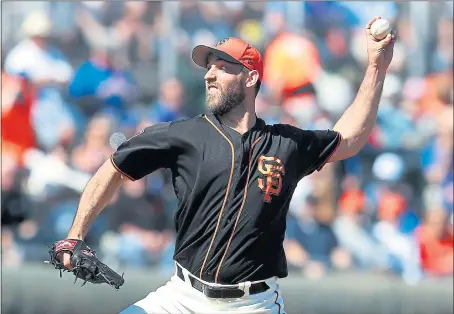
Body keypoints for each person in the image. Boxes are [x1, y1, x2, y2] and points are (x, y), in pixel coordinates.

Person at [57, 17, 396, 314]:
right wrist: (75, 237)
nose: (210, 74)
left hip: (252, 304)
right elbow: (114, 167)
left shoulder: (286, 143)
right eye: (208, 66)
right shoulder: (185, 134)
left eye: (222, 66)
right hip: (182, 298)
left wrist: (376, 68)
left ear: (250, 78)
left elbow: (350, 138)